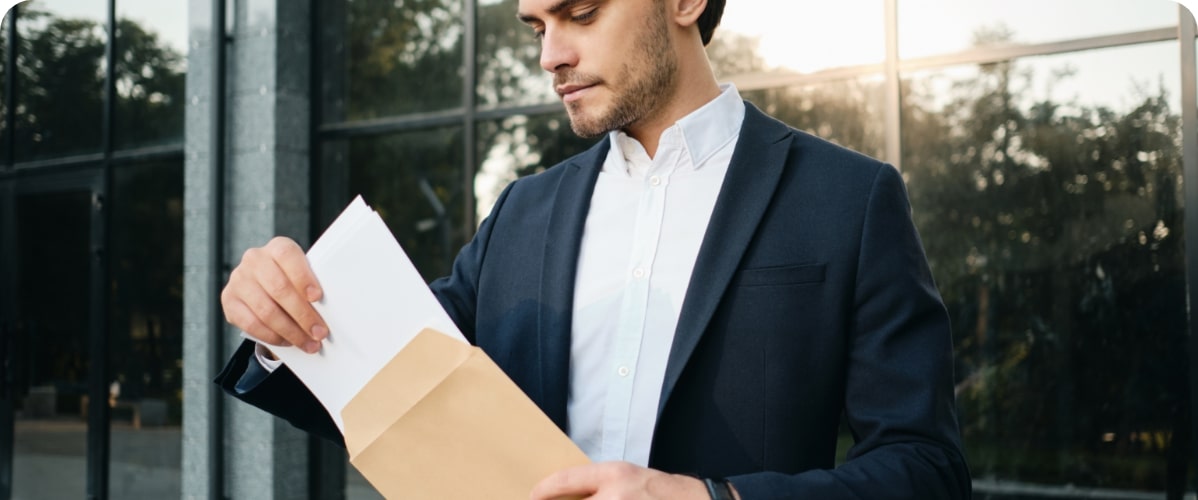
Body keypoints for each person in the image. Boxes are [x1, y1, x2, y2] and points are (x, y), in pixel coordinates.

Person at [216, 0, 972, 497]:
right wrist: (280, 316)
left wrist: (715, 499)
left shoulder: (849, 199)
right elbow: (398, 378)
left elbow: (927, 469)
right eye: (537, 26)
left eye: (579, 13)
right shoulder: (521, 211)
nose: (550, 54)